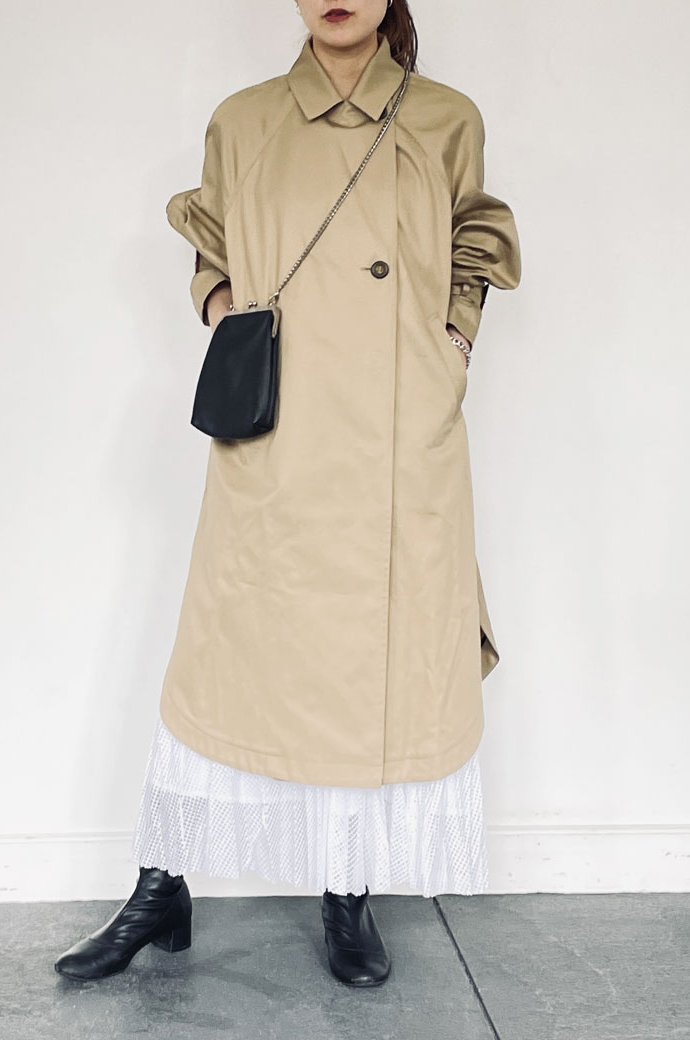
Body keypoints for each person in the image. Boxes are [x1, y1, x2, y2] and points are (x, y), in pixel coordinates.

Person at [55, 0, 521, 989]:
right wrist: (229, 314)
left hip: (400, 441)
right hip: (276, 434)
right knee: (225, 657)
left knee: (367, 669)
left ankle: (345, 892)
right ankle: (161, 882)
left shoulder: (445, 117)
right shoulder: (245, 119)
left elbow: (474, 246)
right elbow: (211, 248)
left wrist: (449, 346)